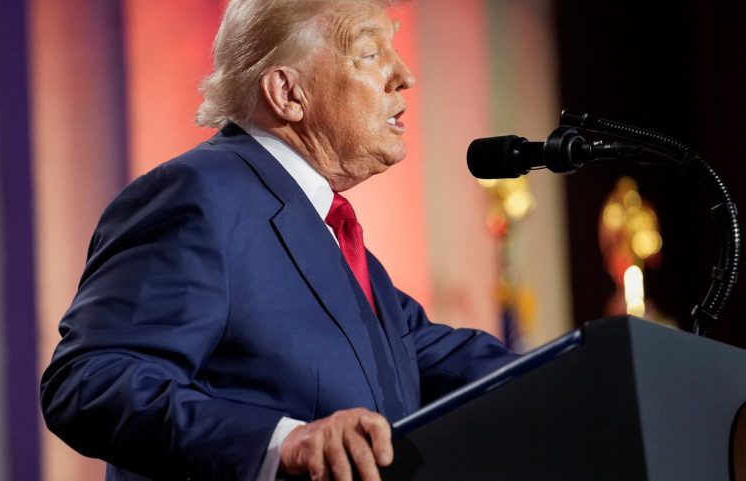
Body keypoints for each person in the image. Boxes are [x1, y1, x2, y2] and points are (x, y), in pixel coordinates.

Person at [40, 1, 518, 480]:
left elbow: (437, 359)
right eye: (370, 54)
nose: (404, 76)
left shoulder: (336, 242)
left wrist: (564, 380)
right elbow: (92, 381)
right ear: (288, 93)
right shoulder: (199, 196)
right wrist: (282, 443)